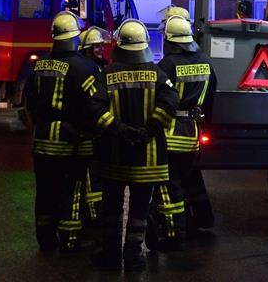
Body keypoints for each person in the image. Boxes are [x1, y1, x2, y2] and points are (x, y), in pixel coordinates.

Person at [87, 19, 179, 271]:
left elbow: (94, 107)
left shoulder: (107, 74)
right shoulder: (157, 73)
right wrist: (148, 131)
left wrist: (119, 129)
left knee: (112, 209)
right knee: (140, 209)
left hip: (115, 155)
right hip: (148, 158)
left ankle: (111, 256)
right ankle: (134, 256)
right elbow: (171, 101)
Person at [25, 11, 97, 252]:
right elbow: (92, 106)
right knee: (71, 190)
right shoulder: (84, 67)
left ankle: (45, 239)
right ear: (76, 38)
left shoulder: (40, 65)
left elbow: (29, 103)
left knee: (44, 191)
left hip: (43, 138)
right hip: (69, 139)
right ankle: (69, 239)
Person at [149, 15, 217, 251]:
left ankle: (174, 233)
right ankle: (202, 219)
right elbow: (210, 100)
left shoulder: (166, 65)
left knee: (169, 185)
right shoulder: (206, 61)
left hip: (169, 134)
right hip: (193, 134)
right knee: (190, 178)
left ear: (171, 41)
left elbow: (157, 99)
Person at [76, 26, 111, 222]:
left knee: (97, 175)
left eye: (100, 46)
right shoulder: (85, 70)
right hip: (87, 131)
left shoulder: (101, 68)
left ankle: (95, 212)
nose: (101, 50)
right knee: (90, 176)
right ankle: (94, 214)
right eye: (96, 47)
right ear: (86, 49)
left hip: (99, 130)